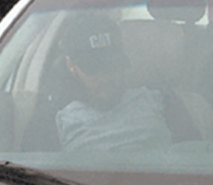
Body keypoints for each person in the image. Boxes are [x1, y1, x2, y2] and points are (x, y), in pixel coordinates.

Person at [54, 15, 173, 152]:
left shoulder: (163, 103)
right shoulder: (53, 121)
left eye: (113, 65)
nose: (105, 77)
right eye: (92, 68)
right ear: (71, 65)